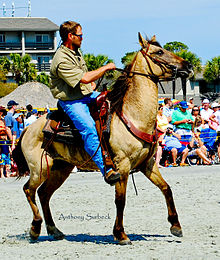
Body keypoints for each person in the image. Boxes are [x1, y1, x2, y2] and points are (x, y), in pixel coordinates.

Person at [49, 20, 120, 185]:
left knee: (113, 104)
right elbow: (85, 77)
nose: (82, 38)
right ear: (70, 36)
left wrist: (90, 83)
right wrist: (105, 68)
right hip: (72, 101)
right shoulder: (61, 59)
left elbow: (85, 77)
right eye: (80, 35)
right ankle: (106, 170)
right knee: (88, 128)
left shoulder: (75, 51)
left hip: (86, 93)